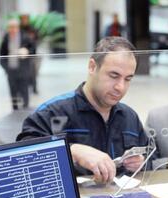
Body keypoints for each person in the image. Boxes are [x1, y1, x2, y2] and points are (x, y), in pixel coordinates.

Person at [16, 37, 147, 183]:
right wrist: (72, 151)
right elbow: (21, 158)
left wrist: (140, 164)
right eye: (114, 76)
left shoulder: (129, 117)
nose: (120, 87)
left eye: (128, 79)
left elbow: (150, 161)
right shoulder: (53, 112)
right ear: (92, 67)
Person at [0, 19, 36, 110]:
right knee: (13, 91)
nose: (12, 29)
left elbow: (33, 49)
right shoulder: (6, 38)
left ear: (18, 28)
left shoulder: (25, 37)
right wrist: (6, 68)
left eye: (14, 27)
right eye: (10, 27)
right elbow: (2, 55)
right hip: (11, 70)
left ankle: (25, 108)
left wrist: (27, 51)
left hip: (23, 70)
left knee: (24, 89)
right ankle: (15, 109)